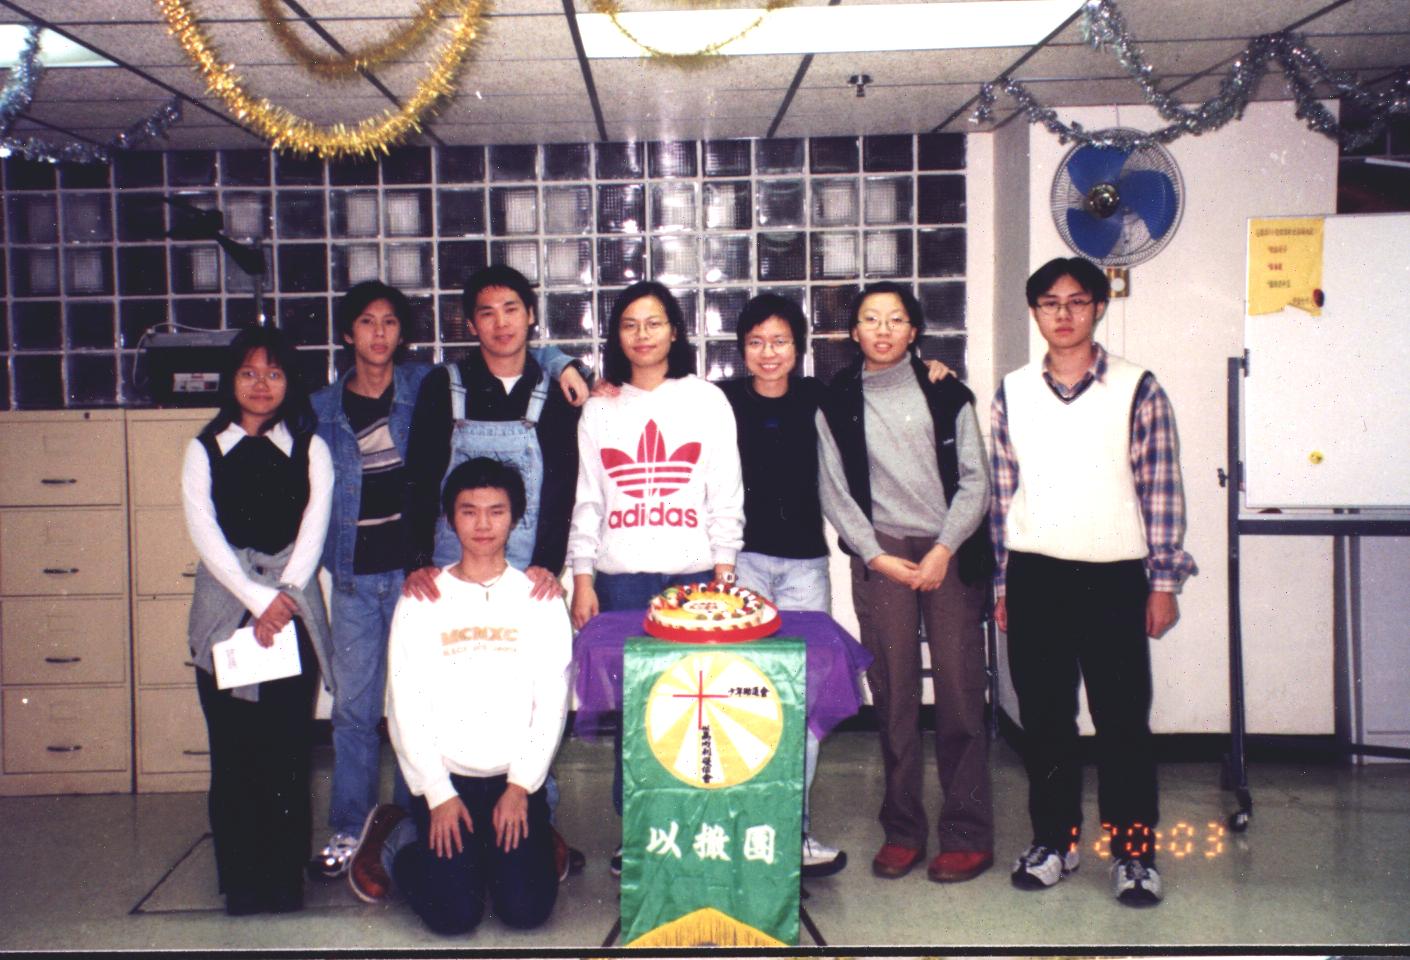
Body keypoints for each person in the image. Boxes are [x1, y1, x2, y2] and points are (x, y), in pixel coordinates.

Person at [991, 256, 1195, 907]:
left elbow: (1161, 489)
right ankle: (1055, 841)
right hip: (1035, 575)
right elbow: (1002, 496)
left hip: (1114, 579)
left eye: (1077, 301)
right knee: (1045, 720)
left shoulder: (1138, 387)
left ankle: (1134, 853)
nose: (1064, 314)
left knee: (1122, 721)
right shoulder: (1013, 391)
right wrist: (1002, 585)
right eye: (1050, 303)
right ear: (1035, 312)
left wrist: (1163, 583)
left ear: (1098, 308)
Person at [400, 264, 588, 879]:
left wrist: (550, 566)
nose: (501, 323)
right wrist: (418, 563)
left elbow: (562, 483)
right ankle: (424, 820)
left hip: (526, 567)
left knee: (532, 691)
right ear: (470, 323)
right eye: (486, 312)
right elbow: (421, 474)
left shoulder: (554, 385)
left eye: (512, 309)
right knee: (442, 686)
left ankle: (536, 823)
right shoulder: (445, 384)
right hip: (450, 559)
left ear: (530, 316)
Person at [816, 281, 994, 884]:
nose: (883, 329)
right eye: (871, 319)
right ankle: (903, 829)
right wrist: (874, 554)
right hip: (883, 551)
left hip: (949, 548)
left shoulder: (947, 392)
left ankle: (967, 832)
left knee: (960, 691)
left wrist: (946, 548)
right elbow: (833, 490)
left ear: (914, 331)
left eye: (896, 319)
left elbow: (975, 480)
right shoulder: (836, 400)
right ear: (854, 332)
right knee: (894, 695)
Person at [567, 281, 744, 873]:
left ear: (674, 331)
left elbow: (724, 490)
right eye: (629, 325)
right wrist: (582, 577)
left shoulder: (705, 400)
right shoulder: (600, 407)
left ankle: (696, 823)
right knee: (635, 712)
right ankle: (639, 830)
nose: (642, 335)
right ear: (616, 336)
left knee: (695, 709)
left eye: (654, 322)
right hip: (620, 582)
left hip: (693, 578)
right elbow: (588, 498)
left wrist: (724, 569)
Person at [350, 458, 570, 935]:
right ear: (451, 519)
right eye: (469, 511)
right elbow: (404, 705)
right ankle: (394, 839)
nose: (483, 524)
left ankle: (523, 839)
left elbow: (551, 705)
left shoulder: (540, 598)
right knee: (454, 917)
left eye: (496, 511)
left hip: (513, 783)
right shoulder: (422, 598)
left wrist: (521, 787)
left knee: (526, 912)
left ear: (515, 517)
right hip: (448, 783)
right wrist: (437, 792)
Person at [181, 325, 334, 915]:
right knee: (234, 753)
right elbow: (204, 532)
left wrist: (283, 597)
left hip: (292, 609)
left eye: (274, 373)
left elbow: (313, 528)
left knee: (287, 750)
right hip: (225, 608)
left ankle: (282, 877)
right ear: (231, 380)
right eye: (249, 373)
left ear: (290, 381)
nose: (262, 385)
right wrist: (254, 597)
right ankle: (241, 881)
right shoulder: (204, 449)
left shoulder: (309, 447)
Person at [307, 281, 432, 881]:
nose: (378, 333)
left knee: (414, 705)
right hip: (355, 577)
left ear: (401, 333)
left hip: (415, 578)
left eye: (389, 322)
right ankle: (349, 827)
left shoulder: (426, 389)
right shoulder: (320, 408)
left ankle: (410, 827)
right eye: (366, 322)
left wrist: (564, 365)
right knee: (353, 711)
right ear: (348, 333)